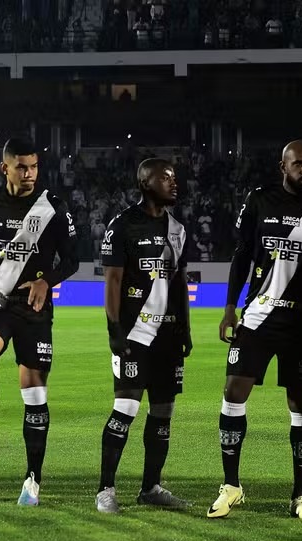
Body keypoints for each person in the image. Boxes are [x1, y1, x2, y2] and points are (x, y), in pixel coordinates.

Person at [210, 140, 302, 520]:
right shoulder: (259, 200)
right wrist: (229, 308)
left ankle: (300, 495)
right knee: (233, 390)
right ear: (281, 165)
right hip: (258, 315)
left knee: (301, 404)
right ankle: (231, 485)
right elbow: (241, 254)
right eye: (298, 163)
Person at [0, 137, 79, 506]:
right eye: (22, 166)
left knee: (34, 393)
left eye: (34, 166)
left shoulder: (52, 207)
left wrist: (46, 280)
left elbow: (72, 259)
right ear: (4, 168)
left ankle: (33, 478)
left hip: (33, 306)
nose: (29, 174)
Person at [95, 159, 192, 513]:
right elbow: (113, 281)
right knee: (126, 407)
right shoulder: (123, 225)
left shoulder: (178, 229)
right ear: (145, 182)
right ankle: (105, 489)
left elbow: (179, 280)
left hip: (167, 338)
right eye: (165, 177)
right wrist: (115, 332)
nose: (173, 183)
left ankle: (151, 487)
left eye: (174, 177)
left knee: (163, 411)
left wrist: (185, 328)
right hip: (134, 334)